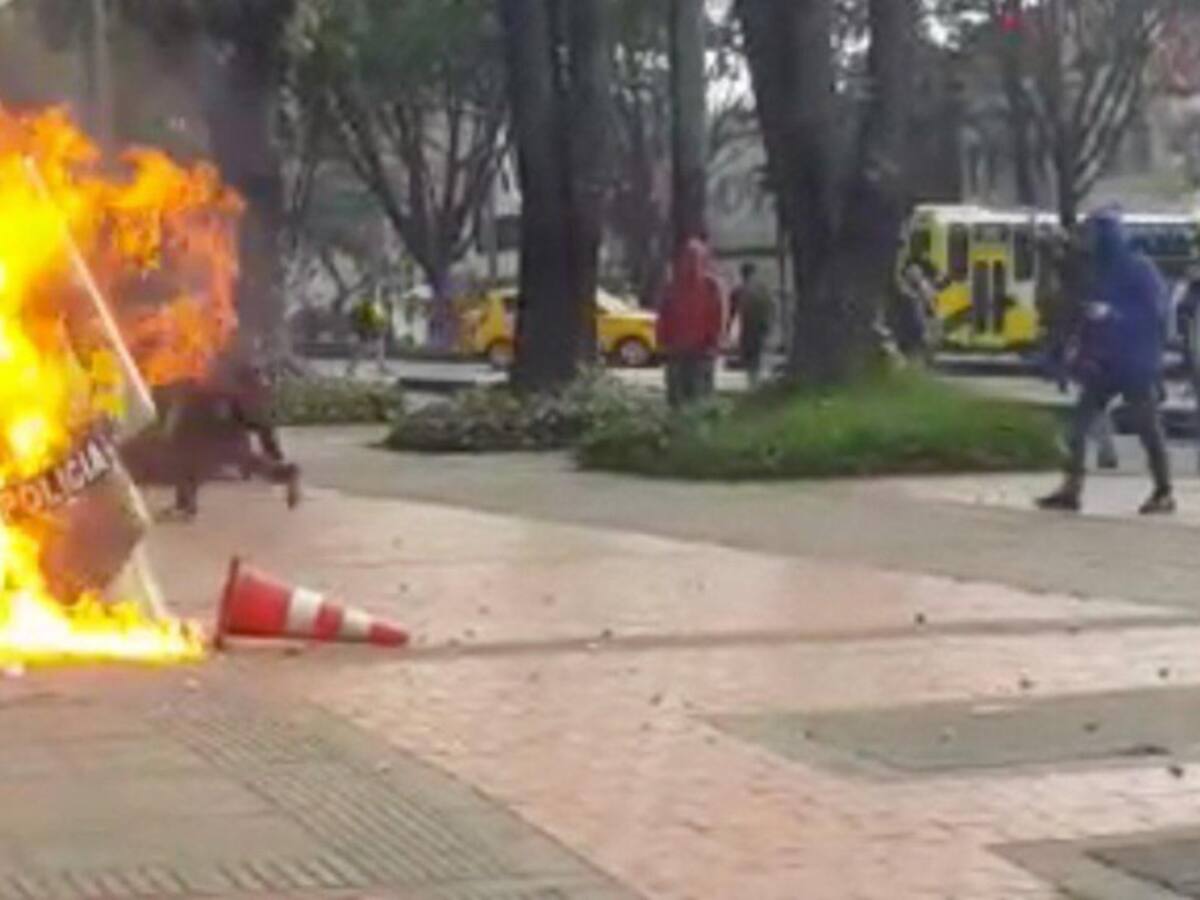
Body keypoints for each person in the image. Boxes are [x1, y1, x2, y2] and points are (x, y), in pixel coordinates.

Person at [1038, 209, 1173, 515]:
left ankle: (1164, 491)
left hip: (1135, 362)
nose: (1086, 241)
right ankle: (1071, 487)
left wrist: (1113, 315)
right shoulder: (1095, 270)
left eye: (1091, 234)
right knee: (1078, 425)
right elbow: (1070, 301)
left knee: (1147, 427)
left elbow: (1155, 314)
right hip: (1104, 362)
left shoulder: (1139, 270)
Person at [166, 353, 301, 519]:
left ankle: (185, 506)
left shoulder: (206, 358)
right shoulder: (222, 356)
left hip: (215, 411)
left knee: (188, 457)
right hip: (223, 411)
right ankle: (286, 474)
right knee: (241, 457)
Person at [1036, 227, 1120, 469]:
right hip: (1096, 345)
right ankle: (1103, 449)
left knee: (1091, 402)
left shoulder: (1076, 278)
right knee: (1095, 402)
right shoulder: (1093, 269)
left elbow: (1065, 314)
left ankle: (1089, 451)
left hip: (1088, 345)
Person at [657, 237, 726, 408]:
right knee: (677, 398)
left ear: (704, 261)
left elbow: (718, 315)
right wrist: (663, 342)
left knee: (701, 396)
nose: (692, 264)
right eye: (688, 259)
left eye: (697, 259)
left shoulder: (711, 286)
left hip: (702, 350)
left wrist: (715, 342)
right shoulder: (672, 287)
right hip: (677, 351)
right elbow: (663, 316)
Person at [731, 262, 773, 387]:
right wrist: (768, 324)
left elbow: (732, 310)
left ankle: (752, 382)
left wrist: (729, 327)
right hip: (759, 326)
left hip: (747, 327)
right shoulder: (763, 288)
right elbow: (770, 307)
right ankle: (755, 381)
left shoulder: (739, 290)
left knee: (749, 356)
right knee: (757, 355)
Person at [346, 294, 389, 376]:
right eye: (367, 298)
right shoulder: (362, 308)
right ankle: (351, 368)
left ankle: (381, 367)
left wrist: (382, 329)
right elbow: (359, 323)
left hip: (374, 334)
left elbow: (382, 320)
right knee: (362, 352)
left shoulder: (375, 307)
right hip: (366, 335)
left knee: (379, 350)